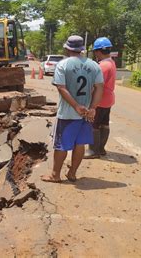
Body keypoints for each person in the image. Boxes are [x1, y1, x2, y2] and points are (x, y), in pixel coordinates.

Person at [41, 35, 104, 183]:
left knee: (62, 145)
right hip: (86, 114)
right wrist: (93, 108)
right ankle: (72, 173)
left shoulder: (63, 65)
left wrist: (76, 105)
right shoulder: (94, 65)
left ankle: (55, 175)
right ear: (82, 49)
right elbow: (100, 87)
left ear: (67, 48)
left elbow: (61, 88)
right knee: (80, 144)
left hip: (68, 114)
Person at [84, 37, 116, 159]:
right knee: (104, 123)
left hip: (100, 100)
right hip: (108, 100)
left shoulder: (102, 66)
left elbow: (95, 86)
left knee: (94, 125)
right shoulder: (111, 62)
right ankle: (101, 148)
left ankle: (93, 151)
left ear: (98, 51)